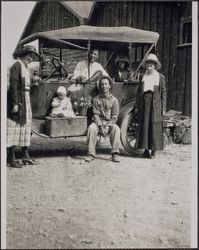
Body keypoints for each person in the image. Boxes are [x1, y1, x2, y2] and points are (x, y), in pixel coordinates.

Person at [7, 44, 41, 168]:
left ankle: (25, 155)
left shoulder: (25, 67)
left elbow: (25, 86)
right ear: (22, 54)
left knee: (26, 127)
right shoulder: (16, 65)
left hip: (25, 99)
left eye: (32, 57)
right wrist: (15, 103)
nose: (31, 58)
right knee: (14, 127)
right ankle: (11, 157)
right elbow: (13, 86)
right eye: (29, 55)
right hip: (18, 100)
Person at [135, 53, 167, 159]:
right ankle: (145, 150)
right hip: (144, 104)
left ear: (155, 65)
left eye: (152, 64)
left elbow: (163, 93)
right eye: (148, 63)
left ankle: (154, 151)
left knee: (154, 127)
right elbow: (139, 91)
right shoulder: (142, 76)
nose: (150, 65)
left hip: (155, 104)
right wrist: (137, 105)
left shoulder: (160, 77)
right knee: (145, 127)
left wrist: (163, 108)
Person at [86, 75, 121, 163]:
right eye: (102, 84)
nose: (104, 86)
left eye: (106, 84)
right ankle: (91, 154)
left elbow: (115, 116)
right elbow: (95, 114)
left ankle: (115, 153)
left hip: (109, 122)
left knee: (116, 129)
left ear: (109, 86)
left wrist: (108, 126)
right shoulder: (96, 99)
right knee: (91, 128)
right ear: (100, 87)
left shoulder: (114, 100)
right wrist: (100, 126)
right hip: (99, 122)